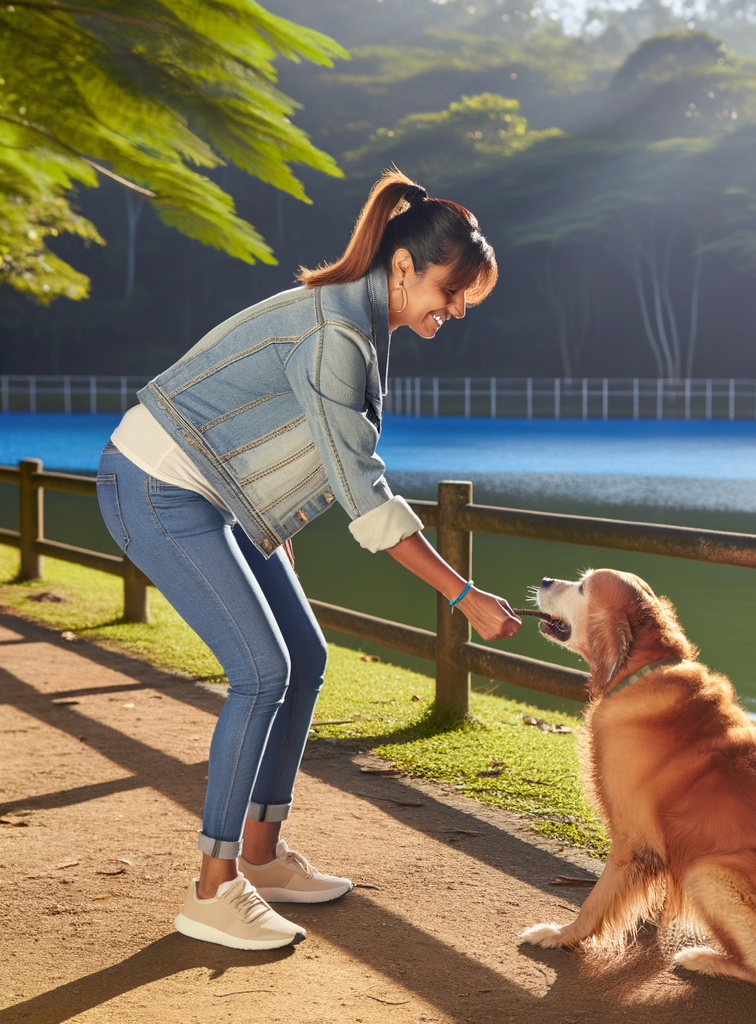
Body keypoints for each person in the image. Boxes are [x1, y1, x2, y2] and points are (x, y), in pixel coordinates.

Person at [96, 169, 522, 951]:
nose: (455, 310)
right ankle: (213, 887)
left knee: (307, 654)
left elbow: (293, 433)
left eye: (467, 299)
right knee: (262, 671)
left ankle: (262, 855)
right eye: (451, 291)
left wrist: (271, 520)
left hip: (211, 491)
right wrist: (464, 595)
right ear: (404, 267)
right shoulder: (337, 335)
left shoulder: (353, 322)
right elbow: (365, 494)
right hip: (156, 486)